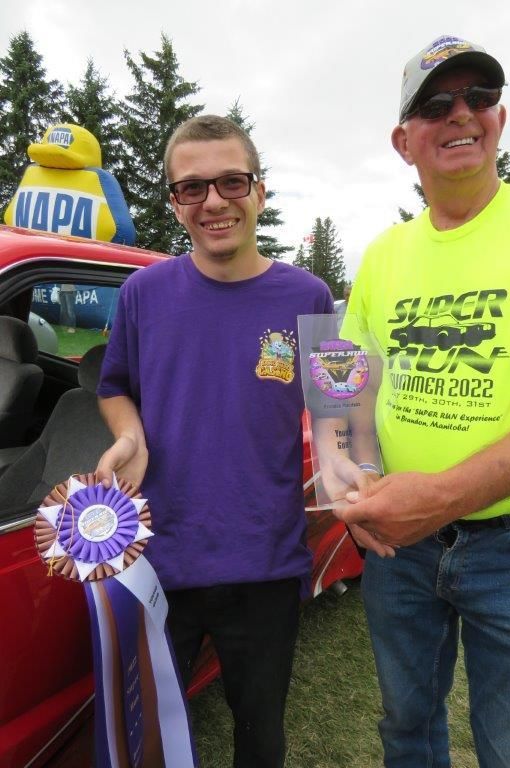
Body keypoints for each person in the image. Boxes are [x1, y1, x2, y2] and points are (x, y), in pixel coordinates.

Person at [332, 35, 510, 767]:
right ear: (405, 141)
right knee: (406, 726)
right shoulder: (382, 254)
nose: (461, 114)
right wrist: (349, 487)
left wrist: (437, 496)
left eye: (479, 98)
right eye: (436, 105)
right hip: (398, 548)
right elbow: (343, 393)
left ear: (499, 120)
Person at [95, 115, 333, 768]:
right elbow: (114, 386)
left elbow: (338, 412)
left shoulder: (308, 295)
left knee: (259, 735)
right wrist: (129, 434)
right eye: (192, 189)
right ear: (175, 202)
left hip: (266, 563)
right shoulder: (144, 294)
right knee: (155, 738)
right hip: (160, 561)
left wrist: (351, 472)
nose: (214, 202)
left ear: (259, 191)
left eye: (231, 181)